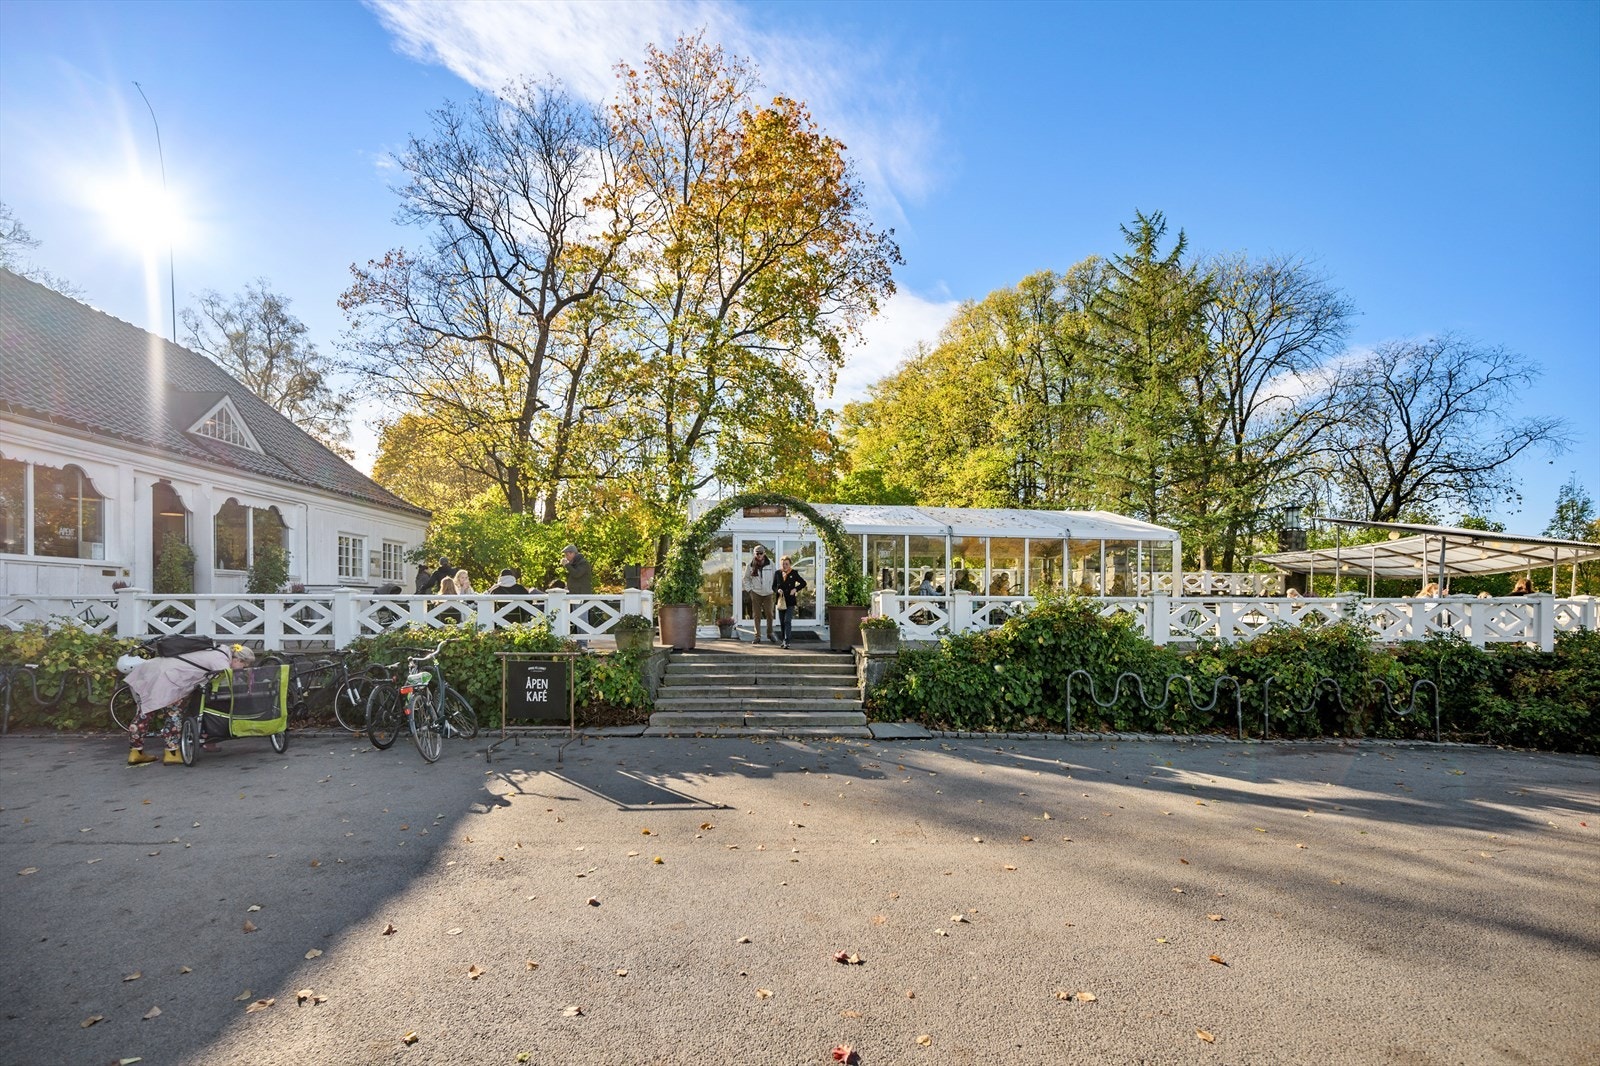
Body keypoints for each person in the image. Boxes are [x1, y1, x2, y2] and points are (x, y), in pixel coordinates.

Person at [121, 642, 254, 764]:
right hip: (170, 680)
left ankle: (135, 752)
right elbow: (223, 684)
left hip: (153, 670)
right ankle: (172, 753)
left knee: (144, 713)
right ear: (237, 659)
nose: (242, 669)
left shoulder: (218, 650)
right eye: (244, 665)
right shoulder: (221, 662)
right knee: (174, 715)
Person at [773, 554, 808, 649]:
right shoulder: (777, 573)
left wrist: (795, 589)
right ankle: (784, 640)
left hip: (790, 601)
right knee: (782, 622)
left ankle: (787, 641)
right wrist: (778, 590)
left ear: (790, 564)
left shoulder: (794, 573)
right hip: (781, 601)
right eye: (783, 564)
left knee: (787, 620)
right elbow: (773, 586)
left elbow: (803, 583)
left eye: (786, 564)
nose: (784, 566)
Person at [744, 545, 777, 643]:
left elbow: (776, 577)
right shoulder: (750, 565)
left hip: (768, 593)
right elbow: (746, 579)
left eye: (761, 553)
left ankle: (770, 633)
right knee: (756, 615)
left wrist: (774, 588)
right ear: (754, 554)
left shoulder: (771, 564)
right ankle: (757, 636)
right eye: (757, 553)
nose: (759, 555)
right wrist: (750, 590)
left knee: (769, 614)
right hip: (756, 593)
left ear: (764, 553)